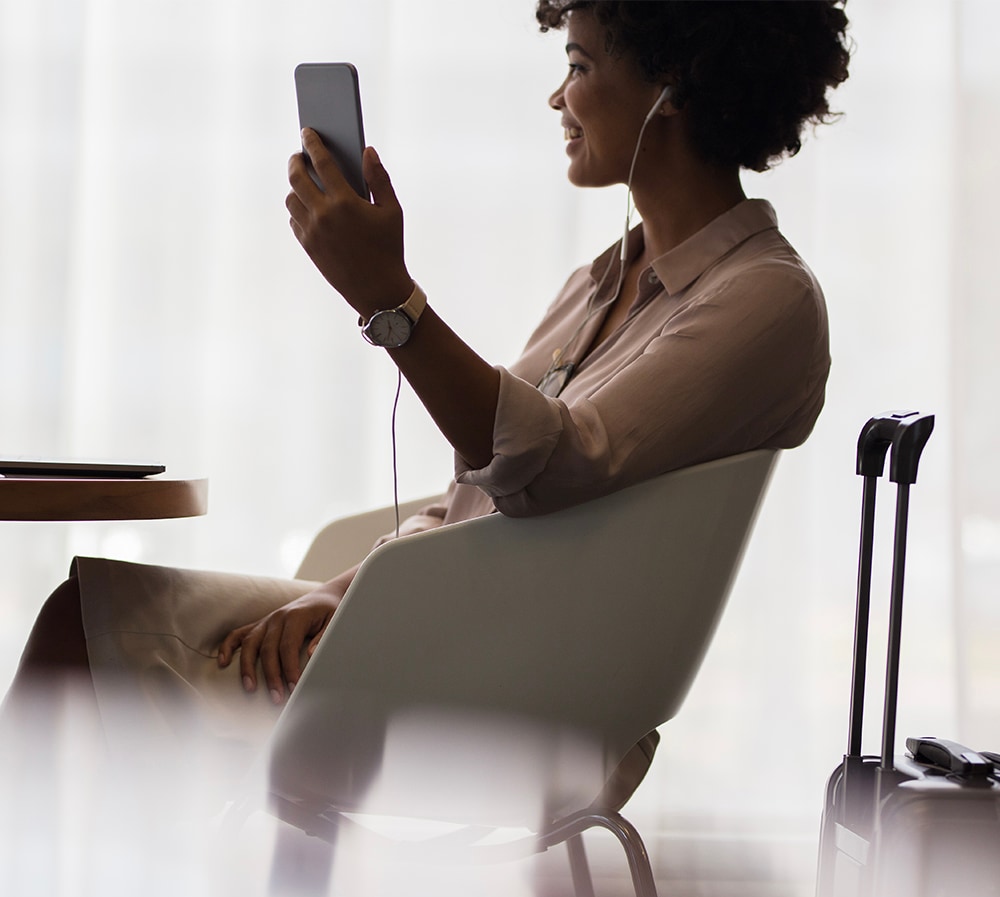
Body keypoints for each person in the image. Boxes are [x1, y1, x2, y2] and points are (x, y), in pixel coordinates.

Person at [1, 1, 850, 798]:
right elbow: (475, 500)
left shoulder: (765, 299)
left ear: (674, 87)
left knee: (87, 635)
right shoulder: (598, 285)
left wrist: (392, 302)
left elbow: (556, 467)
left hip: (518, 681)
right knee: (89, 616)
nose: (558, 96)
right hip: (437, 628)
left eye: (580, 64)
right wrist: (349, 588)